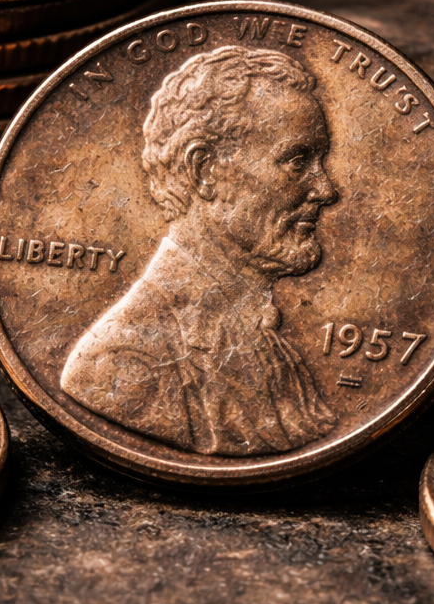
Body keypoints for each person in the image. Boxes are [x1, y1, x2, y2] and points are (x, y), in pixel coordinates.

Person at [61, 45, 341, 456]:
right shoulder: (119, 361)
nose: (326, 190)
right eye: (298, 161)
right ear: (204, 170)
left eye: (321, 162)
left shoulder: (274, 351)